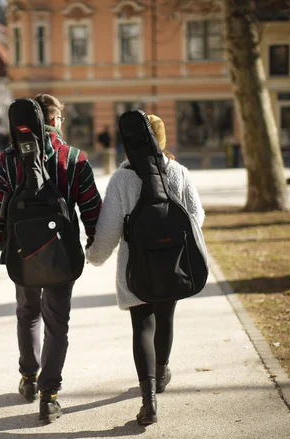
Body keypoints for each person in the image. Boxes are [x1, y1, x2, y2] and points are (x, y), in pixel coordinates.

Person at [0, 94, 102, 423]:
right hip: (62, 257)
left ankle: (28, 379)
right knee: (57, 325)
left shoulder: (8, 159)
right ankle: (50, 396)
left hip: (22, 257)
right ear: (57, 120)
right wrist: (95, 247)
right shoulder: (73, 158)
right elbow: (92, 210)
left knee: (28, 314)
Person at [85, 115, 205, 425]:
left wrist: (95, 257)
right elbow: (196, 217)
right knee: (165, 318)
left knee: (142, 326)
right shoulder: (178, 173)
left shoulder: (122, 180)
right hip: (173, 264)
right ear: (162, 141)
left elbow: (109, 228)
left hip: (135, 268)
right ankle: (162, 371)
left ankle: (148, 401)